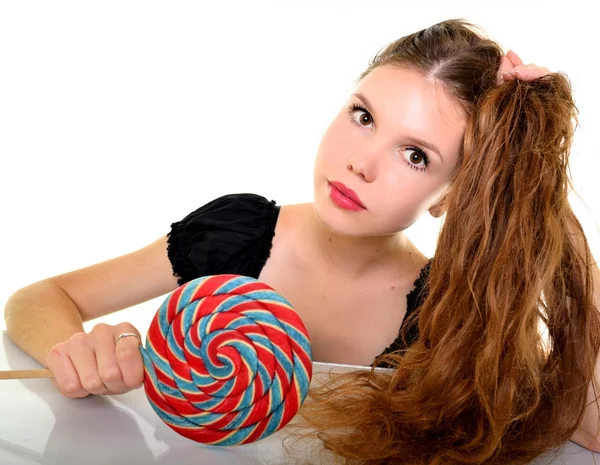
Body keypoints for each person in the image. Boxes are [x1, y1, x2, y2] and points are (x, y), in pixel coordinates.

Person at [4, 17, 600, 464]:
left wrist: (574, 400)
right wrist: (76, 353)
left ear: (451, 196)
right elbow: (39, 296)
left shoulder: (446, 313)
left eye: (415, 155)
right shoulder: (239, 234)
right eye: (363, 115)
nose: (360, 161)